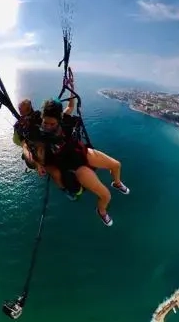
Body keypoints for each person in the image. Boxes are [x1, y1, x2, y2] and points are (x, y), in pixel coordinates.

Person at [37, 96, 129, 226]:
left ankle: (117, 183)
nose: (48, 127)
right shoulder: (41, 135)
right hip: (76, 167)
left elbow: (70, 107)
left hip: (82, 153)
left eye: (52, 124)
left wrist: (71, 91)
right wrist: (39, 164)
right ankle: (101, 211)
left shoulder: (64, 120)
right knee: (106, 196)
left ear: (59, 119)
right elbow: (38, 150)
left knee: (116, 165)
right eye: (45, 123)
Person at [13, 98, 84, 198]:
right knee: (56, 173)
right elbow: (25, 146)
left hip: (50, 151)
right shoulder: (24, 125)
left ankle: (68, 185)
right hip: (40, 155)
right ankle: (64, 189)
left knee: (59, 170)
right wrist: (37, 163)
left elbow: (68, 109)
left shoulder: (40, 118)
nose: (48, 125)